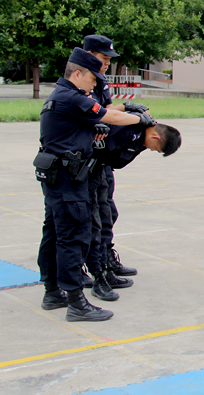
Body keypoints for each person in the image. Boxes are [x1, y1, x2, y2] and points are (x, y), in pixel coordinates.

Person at [35, 47, 156, 322]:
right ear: (77, 73)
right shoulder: (71, 97)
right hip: (68, 180)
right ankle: (77, 302)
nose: (95, 83)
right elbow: (109, 116)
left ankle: (53, 292)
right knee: (72, 238)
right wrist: (141, 119)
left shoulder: (64, 96)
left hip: (58, 177)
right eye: (91, 78)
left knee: (54, 234)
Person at [82, 34, 147, 301]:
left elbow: (105, 109)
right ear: (89, 56)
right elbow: (95, 113)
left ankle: (107, 260)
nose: (107, 63)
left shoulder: (100, 80)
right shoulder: (81, 81)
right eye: (103, 58)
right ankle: (90, 268)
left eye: (109, 59)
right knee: (90, 218)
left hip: (102, 155)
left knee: (107, 211)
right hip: (86, 157)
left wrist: (126, 107)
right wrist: (130, 116)